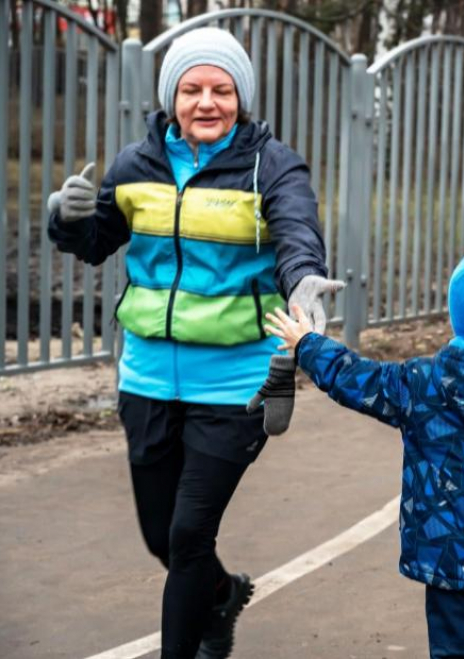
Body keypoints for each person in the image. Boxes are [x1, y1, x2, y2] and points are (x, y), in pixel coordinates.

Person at [47, 27, 341, 659]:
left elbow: (296, 230)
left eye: (222, 90)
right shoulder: (136, 164)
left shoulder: (271, 165)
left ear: (243, 97)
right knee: (164, 538)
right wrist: (66, 220)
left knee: (186, 537)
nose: (207, 102)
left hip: (238, 383)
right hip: (147, 377)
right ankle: (221, 595)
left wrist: (304, 281)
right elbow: (97, 241)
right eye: (192, 89)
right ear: (171, 97)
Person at [265, 235, 464, 659]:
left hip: (450, 564)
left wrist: (308, 345)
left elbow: (359, 380)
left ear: (459, 311)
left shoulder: (419, 384)